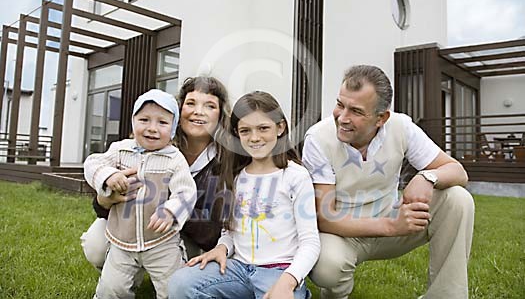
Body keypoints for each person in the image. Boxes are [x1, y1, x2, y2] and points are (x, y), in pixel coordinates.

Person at [302, 65, 475, 299]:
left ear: (381, 118)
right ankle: (334, 296)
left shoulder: (401, 126)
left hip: (393, 222)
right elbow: (325, 217)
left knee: (457, 198)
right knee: (327, 267)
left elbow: (457, 171)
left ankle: (445, 296)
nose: (342, 118)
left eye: (356, 111)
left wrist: (427, 177)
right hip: (343, 234)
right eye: (340, 104)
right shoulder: (318, 139)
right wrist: (391, 226)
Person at [168, 91, 320, 299]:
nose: (255, 137)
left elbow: (310, 242)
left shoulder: (296, 176)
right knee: (180, 284)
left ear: (280, 127)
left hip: (279, 272)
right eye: (245, 131)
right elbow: (230, 231)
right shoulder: (236, 176)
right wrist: (222, 247)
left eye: (263, 128)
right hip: (238, 269)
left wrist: (288, 281)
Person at [81, 76, 232, 270]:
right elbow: (104, 205)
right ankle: (122, 273)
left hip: (187, 238)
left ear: (220, 116)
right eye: (191, 103)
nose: (198, 111)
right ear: (177, 112)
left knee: (180, 271)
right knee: (96, 244)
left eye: (210, 106)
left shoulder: (225, 161)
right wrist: (106, 199)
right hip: (132, 226)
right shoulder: (148, 146)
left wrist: (172, 207)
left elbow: (214, 230)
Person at [84, 89, 197, 298]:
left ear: (172, 129)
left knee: (172, 288)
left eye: (162, 123)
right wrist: (108, 176)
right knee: (111, 289)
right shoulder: (120, 150)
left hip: (162, 242)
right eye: (144, 119)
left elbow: (186, 192)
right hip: (121, 241)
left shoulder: (174, 158)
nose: (152, 128)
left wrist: (171, 212)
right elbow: (92, 163)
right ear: (133, 122)